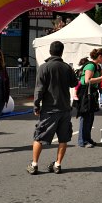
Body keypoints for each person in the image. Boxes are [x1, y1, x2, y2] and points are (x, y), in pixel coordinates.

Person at [27, 41, 77, 175]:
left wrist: (36, 105)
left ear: (50, 51)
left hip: (49, 109)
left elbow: (39, 89)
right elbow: (74, 83)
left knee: (39, 137)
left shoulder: (44, 67)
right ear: (62, 52)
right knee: (63, 138)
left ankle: (34, 164)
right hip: (65, 108)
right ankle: (58, 164)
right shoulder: (67, 67)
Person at [77, 48, 102, 148]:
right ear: (99, 57)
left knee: (90, 117)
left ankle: (88, 139)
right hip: (85, 93)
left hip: (91, 93)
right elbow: (87, 80)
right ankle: (82, 141)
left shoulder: (97, 66)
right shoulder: (90, 65)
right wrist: (100, 78)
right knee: (85, 117)